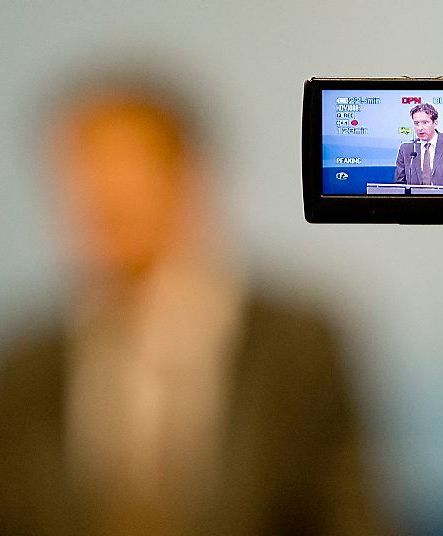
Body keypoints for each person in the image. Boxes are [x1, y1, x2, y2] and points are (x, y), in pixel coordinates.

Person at [0, 71, 389, 535]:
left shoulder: (299, 345)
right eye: (81, 171)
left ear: (189, 176)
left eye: (124, 167)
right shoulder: (28, 364)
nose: (100, 194)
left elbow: (351, 513)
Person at [394, 103, 443, 194]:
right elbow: (399, 184)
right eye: (416, 123)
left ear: (435, 123)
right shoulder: (406, 148)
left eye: (425, 122)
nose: (420, 128)